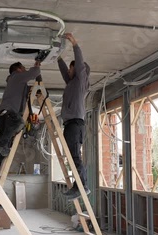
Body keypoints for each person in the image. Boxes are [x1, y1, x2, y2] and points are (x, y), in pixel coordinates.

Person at [0, 60, 41, 195]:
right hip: (9, 117)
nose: (24, 69)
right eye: (23, 68)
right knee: (19, 124)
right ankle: (3, 144)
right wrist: (37, 64)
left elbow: (26, 93)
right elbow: (34, 72)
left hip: (5, 117)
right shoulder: (16, 76)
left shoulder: (16, 84)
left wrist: (36, 91)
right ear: (18, 69)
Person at [57, 33, 91, 200]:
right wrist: (58, 57)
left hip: (75, 124)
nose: (69, 71)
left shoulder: (80, 81)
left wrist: (75, 44)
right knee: (71, 156)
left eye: (72, 68)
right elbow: (64, 71)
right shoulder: (71, 83)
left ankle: (83, 186)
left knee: (75, 156)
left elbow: (79, 66)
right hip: (70, 125)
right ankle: (79, 186)